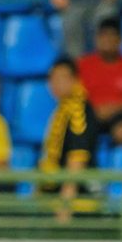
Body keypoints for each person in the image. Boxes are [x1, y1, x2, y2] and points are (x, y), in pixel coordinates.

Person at [40, 57, 101, 223]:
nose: (56, 83)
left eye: (62, 78)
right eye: (52, 78)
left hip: (78, 204)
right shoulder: (62, 108)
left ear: (75, 80)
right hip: (57, 195)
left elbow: (77, 161)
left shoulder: (77, 111)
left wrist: (64, 210)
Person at [77, 17, 122, 145]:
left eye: (112, 36)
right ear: (96, 39)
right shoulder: (83, 65)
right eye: (103, 36)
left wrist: (114, 109)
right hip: (89, 118)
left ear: (121, 40)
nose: (108, 40)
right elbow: (72, 95)